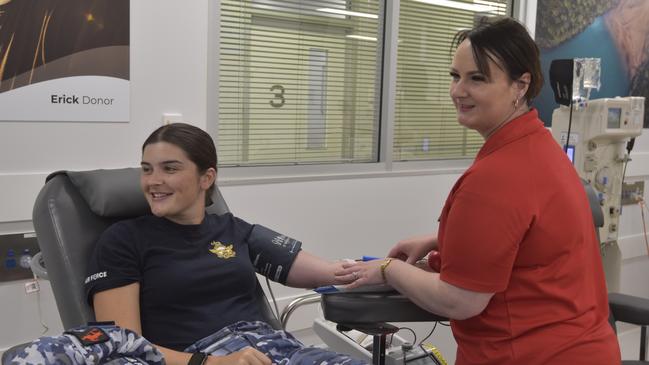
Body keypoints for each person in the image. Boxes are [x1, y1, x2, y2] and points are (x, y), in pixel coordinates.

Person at [335, 17, 621, 364]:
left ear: (520, 85)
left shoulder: (497, 176)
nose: (458, 91)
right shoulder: (540, 149)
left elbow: (460, 300)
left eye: (477, 79)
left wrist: (387, 270)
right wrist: (443, 240)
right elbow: (530, 235)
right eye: (455, 76)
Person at [84, 123, 365, 365]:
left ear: (206, 177)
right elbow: (121, 347)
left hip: (276, 349)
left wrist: (385, 269)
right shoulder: (123, 240)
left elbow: (329, 272)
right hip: (202, 356)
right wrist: (212, 362)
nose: (153, 181)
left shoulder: (233, 228)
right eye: (146, 169)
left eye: (169, 169)